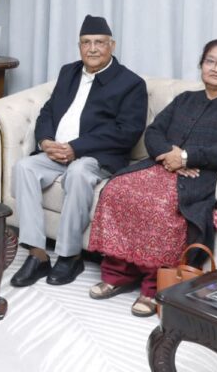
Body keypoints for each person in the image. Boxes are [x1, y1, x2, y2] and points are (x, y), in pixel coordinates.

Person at [87, 39, 217, 317]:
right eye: (210, 61)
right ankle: (118, 274)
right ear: (201, 65)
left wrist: (186, 157)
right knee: (117, 189)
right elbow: (154, 131)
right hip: (161, 167)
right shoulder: (185, 99)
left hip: (200, 176)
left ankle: (153, 286)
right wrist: (170, 156)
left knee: (161, 204)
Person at [9, 15, 148, 289]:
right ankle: (37, 254)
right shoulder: (68, 72)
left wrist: (77, 148)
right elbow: (48, 111)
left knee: (78, 172)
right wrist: (45, 141)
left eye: (99, 42)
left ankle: (70, 256)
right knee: (24, 167)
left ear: (112, 45)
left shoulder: (130, 83)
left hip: (96, 156)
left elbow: (127, 132)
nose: (92, 49)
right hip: (56, 152)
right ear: (79, 46)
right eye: (86, 43)